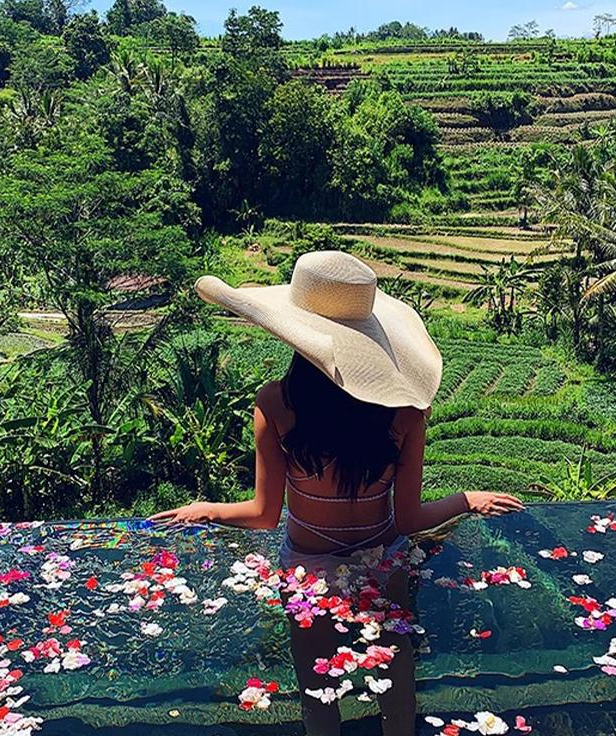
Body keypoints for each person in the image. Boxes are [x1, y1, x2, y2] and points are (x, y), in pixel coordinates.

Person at [149, 250, 524, 736]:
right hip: (385, 562)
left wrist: (208, 510)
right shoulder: (405, 413)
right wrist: (465, 499)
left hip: (309, 570)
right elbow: (409, 519)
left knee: (318, 700)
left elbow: (265, 514)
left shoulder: (275, 404)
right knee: (398, 695)